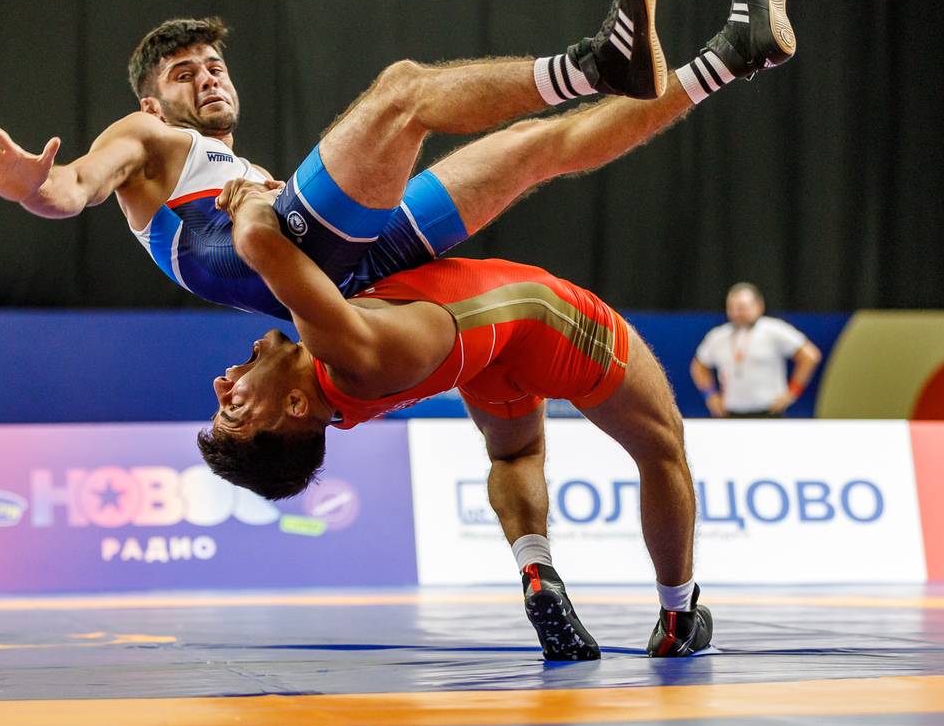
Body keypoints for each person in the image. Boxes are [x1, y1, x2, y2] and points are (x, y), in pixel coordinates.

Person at [0, 0, 796, 321]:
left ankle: (733, 55)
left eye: (214, 64)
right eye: (185, 73)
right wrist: (34, 187)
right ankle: (593, 64)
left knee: (538, 149)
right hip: (294, 252)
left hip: (346, 268)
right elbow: (76, 187)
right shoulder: (145, 141)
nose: (208, 76)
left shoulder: (227, 165)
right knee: (402, 94)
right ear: (150, 103)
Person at [198, 176, 712, 661]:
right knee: (661, 448)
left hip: (486, 364)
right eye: (234, 408)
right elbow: (263, 244)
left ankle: (537, 571)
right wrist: (248, 200)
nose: (223, 384)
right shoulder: (335, 346)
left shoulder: (339, 402)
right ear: (293, 408)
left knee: (514, 454)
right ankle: (678, 616)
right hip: (542, 318)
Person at [690, 282, 823, 418]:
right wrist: (710, 395)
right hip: (730, 414)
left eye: (741, 308)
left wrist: (792, 392)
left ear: (758, 306)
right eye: (731, 308)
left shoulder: (774, 330)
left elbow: (810, 356)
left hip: (769, 413)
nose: (736, 313)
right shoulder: (718, 336)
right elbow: (699, 366)